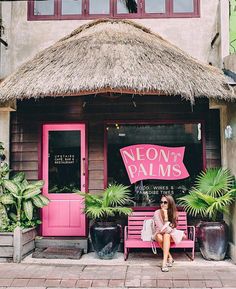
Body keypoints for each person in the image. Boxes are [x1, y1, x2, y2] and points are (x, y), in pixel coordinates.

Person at [152, 194, 187, 272]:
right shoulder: (156, 213)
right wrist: (165, 217)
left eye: (165, 202)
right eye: (161, 202)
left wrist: (166, 216)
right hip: (160, 234)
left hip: (172, 235)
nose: (162, 204)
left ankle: (164, 262)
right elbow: (161, 229)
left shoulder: (174, 213)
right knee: (159, 236)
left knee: (167, 235)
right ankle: (170, 258)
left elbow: (169, 230)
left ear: (170, 204)